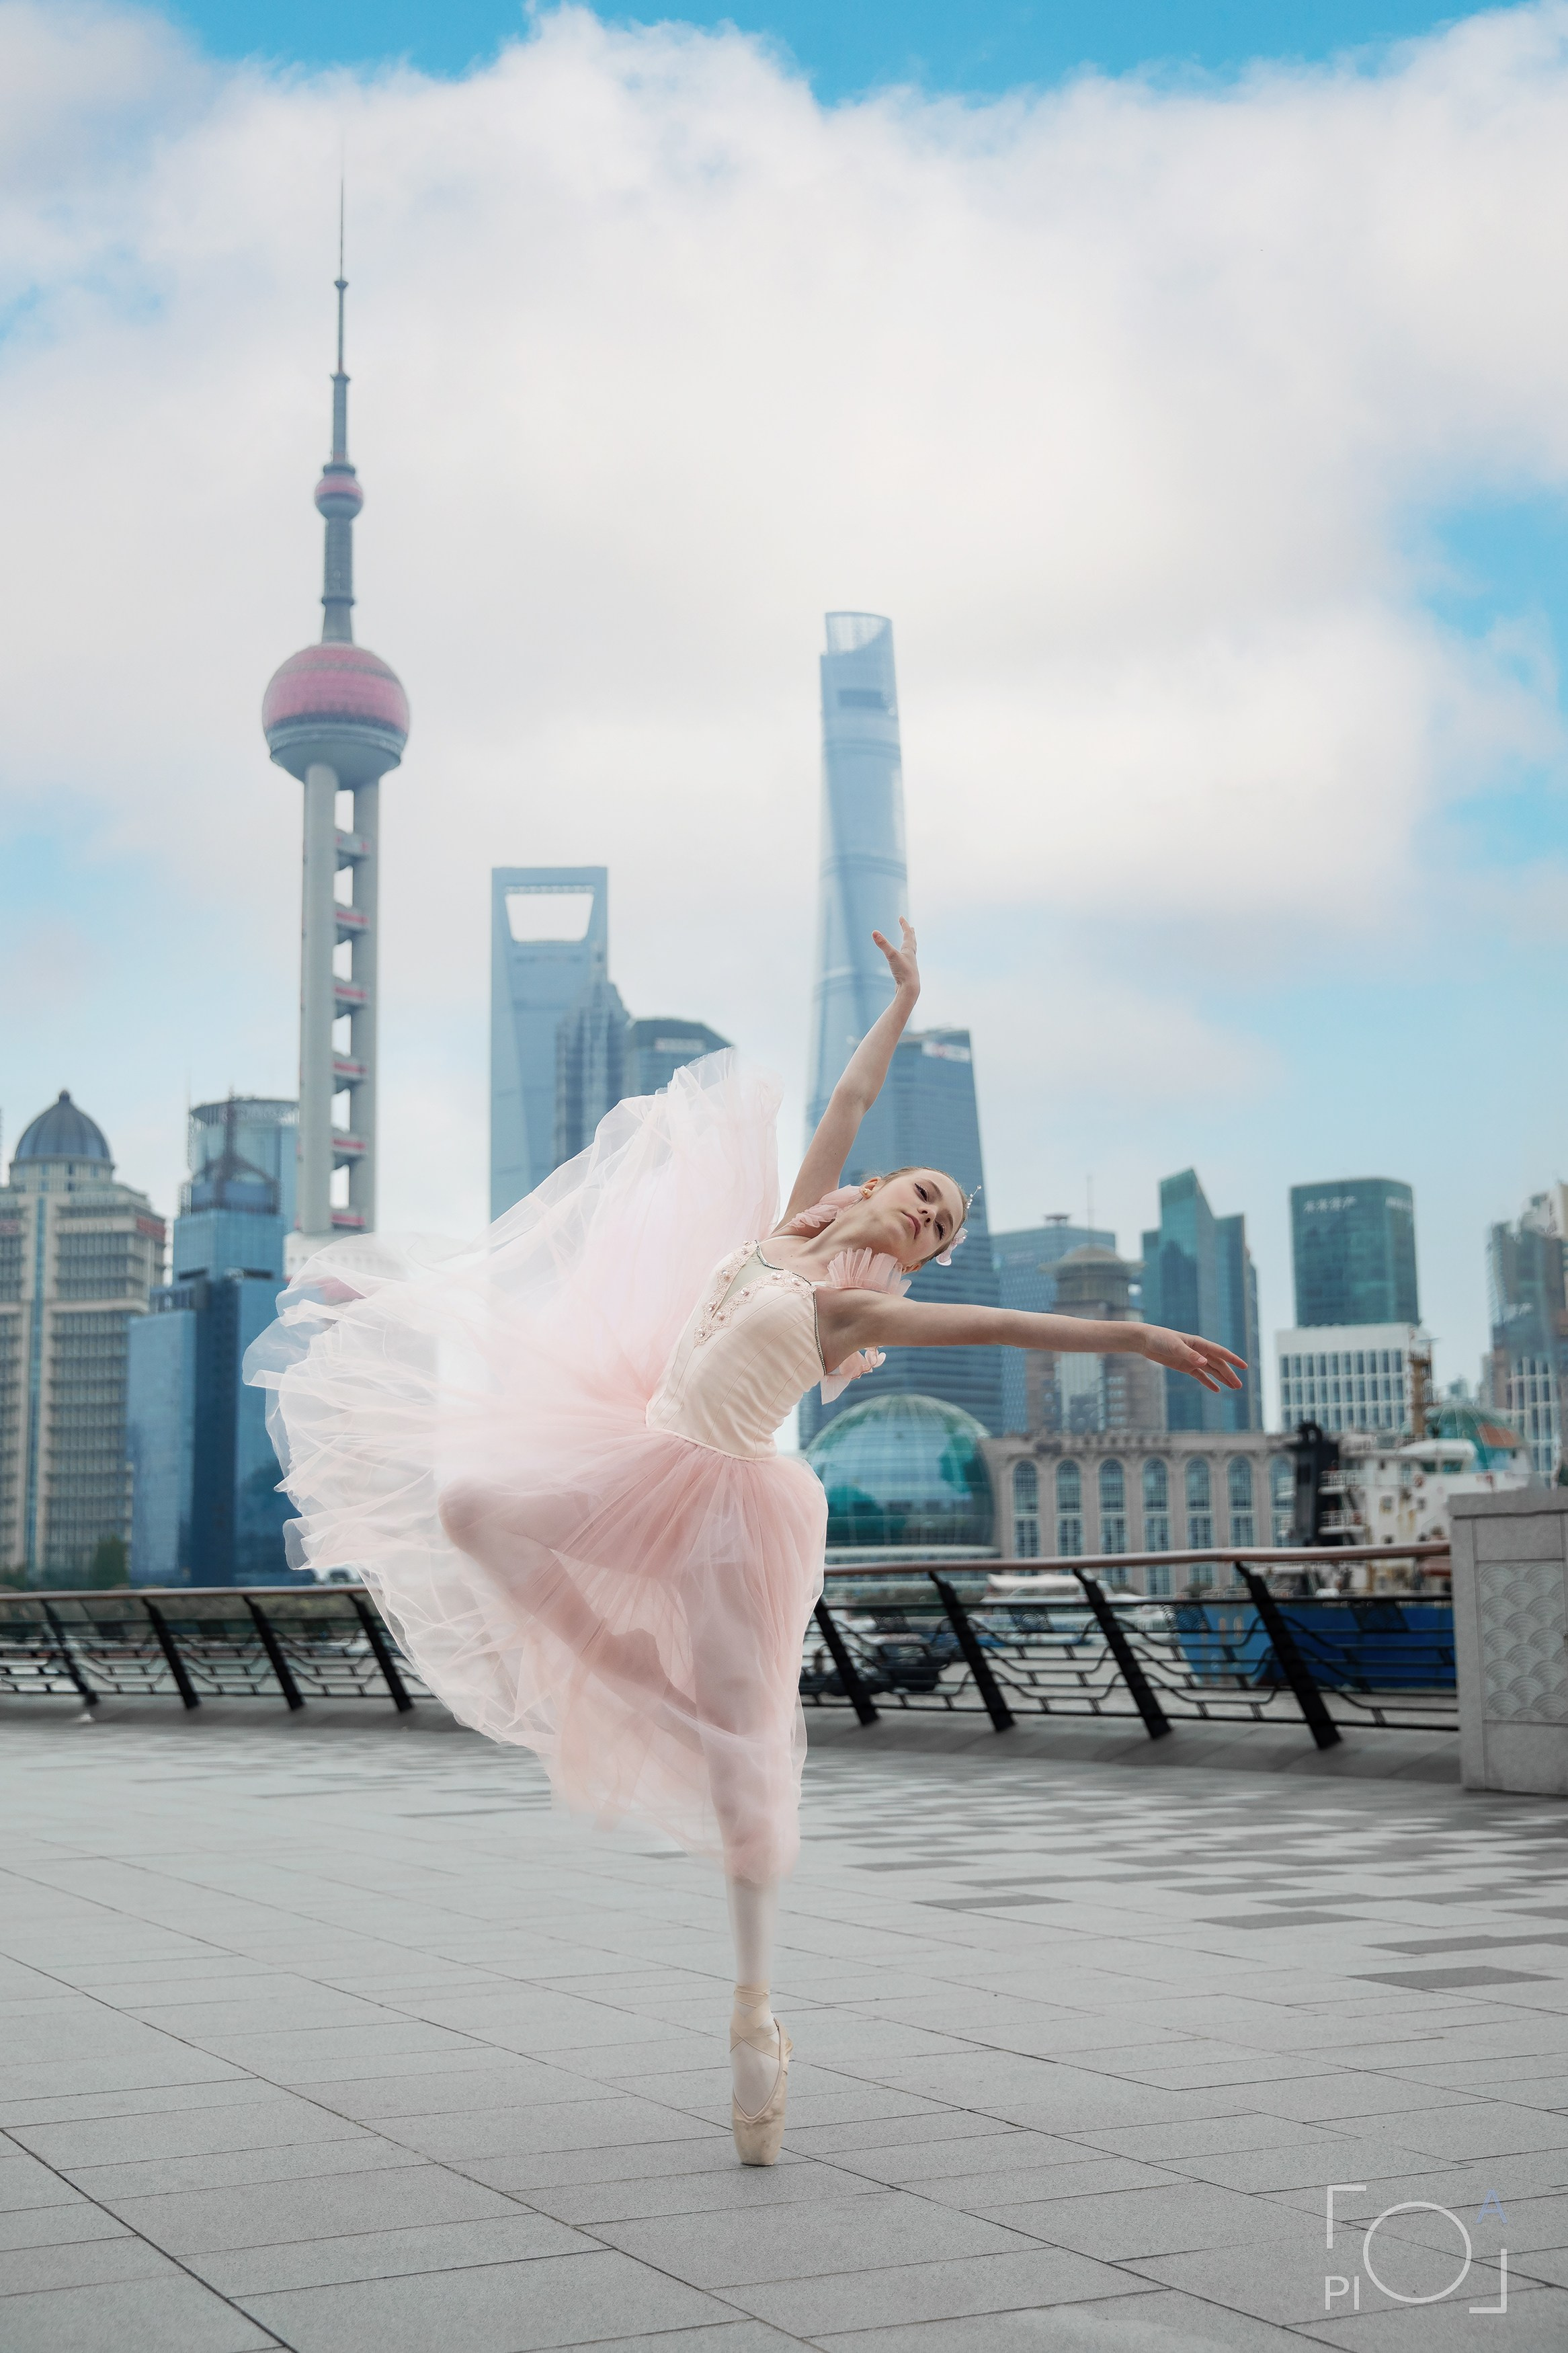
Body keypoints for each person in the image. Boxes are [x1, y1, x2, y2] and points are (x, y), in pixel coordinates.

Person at [246, 920, 1242, 2166]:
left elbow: (1013, 1324)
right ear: (872, 1184)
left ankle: (754, 2014)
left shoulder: (854, 1305)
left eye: (937, 1226)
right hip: (635, 1455)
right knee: (471, 1510)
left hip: (734, 1511)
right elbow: (850, 1092)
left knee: (747, 1770)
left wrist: (1143, 1341)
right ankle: (633, 1677)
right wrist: (905, 997)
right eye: (919, 1193)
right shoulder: (780, 1230)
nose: (925, 1216)